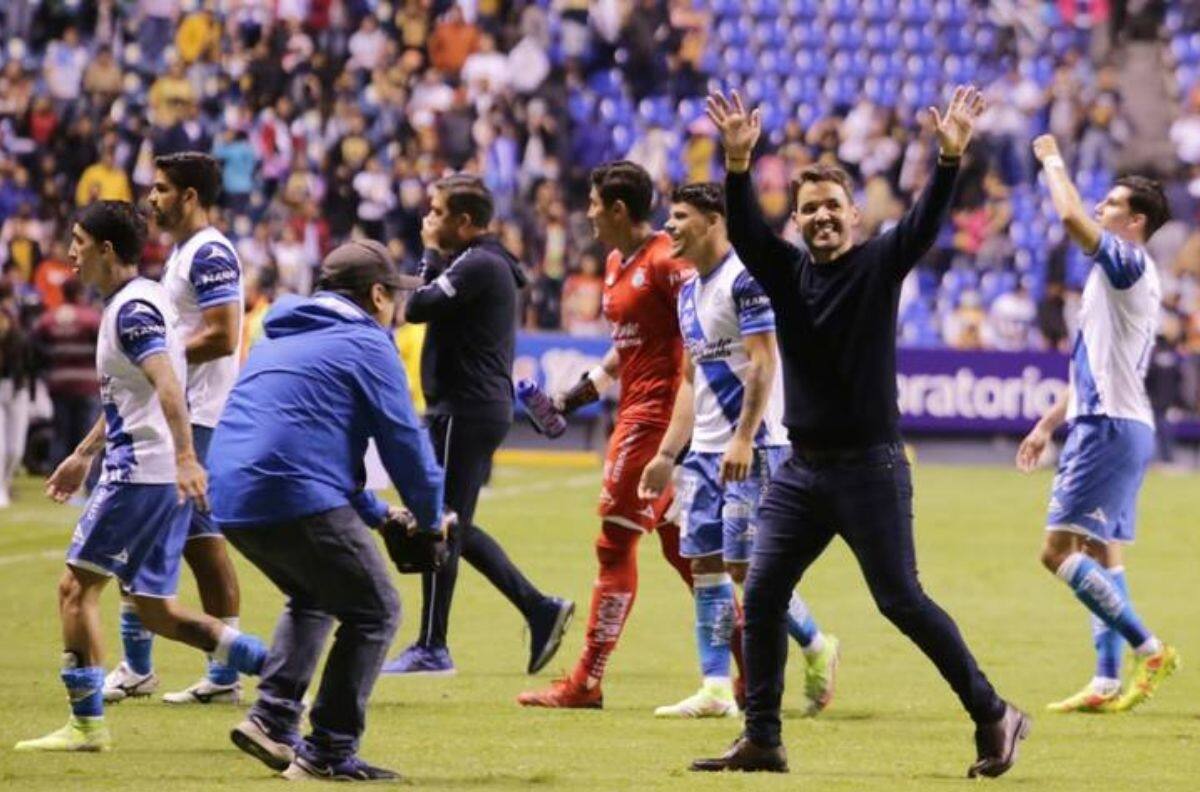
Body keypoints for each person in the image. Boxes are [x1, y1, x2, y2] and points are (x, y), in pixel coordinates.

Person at [692, 87, 1028, 778]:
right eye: (807, 208)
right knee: (759, 594)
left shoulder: (880, 264)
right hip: (803, 471)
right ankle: (763, 738)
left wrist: (949, 155)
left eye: (830, 207)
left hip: (870, 468)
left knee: (900, 599)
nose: (819, 217)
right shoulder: (784, 272)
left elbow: (928, 220)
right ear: (799, 220)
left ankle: (993, 712)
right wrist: (735, 164)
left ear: (853, 215)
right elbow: (749, 232)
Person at [14, 201, 265, 753]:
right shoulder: (145, 300)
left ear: (107, 250)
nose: (70, 253)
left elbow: (169, 386)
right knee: (155, 608)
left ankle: (86, 726)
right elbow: (142, 390)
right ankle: (275, 666)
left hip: (139, 474)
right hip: (153, 472)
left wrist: (183, 457)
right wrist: (83, 452)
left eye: (78, 241)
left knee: (75, 589)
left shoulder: (131, 311)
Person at [209, 240, 447, 782]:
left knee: (315, 593)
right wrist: (430, 521)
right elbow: (405, 445)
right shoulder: (368, 343)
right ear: (378, 295)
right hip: (290, 491)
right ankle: (329, 751)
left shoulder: (279, 335)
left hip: (231, 495)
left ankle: (271, 718)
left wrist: (381, 515)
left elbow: (310, 448)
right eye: (395, 296)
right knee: (376, 609)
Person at [518, 161, 728, 709]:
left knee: (614, 545)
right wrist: (575, 395)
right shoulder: (617, 262)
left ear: (616, 209)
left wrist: (677, 435)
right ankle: (756, 668)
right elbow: (626, 347)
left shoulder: (667, 262)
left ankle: (586, 681)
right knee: (689, 551)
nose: (586, 214)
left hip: (655, 421)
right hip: (637, 411)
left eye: (592, 204)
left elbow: (699, 341)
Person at [638, 183, 839, 720]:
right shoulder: (686, 292)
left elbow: (764, 363)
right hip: (702, 454)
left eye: (679, 217)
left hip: (755, 446)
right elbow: (688, 381)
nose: (669, 227)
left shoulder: (746, 281)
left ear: (712, 221)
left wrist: (744, 436)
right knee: (703, 563)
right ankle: (715, 688)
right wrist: (666, 454)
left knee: (748, 570)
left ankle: (817, 644)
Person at [381, 174, 573, 676]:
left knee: (440, 522)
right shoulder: (482, 262)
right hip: (470, 407)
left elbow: (419, 306)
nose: (429, 219)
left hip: (463, 409)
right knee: (449, 522)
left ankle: (434, 644)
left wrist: (427, 253)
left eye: (437, 212)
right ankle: (535, 609)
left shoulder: (478, 264)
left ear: (465, 222)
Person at [1017, 136, 1179, 714]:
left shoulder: (1128, 261)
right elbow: (1095, 365)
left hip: (1109, 427)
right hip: (1116, 419)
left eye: (1111, 204)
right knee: (1102, 551)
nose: (1100, 209)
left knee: (1057, 552)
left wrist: (1051, 160)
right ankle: (1107, 680)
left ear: (1134, 221)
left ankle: (1150, 648)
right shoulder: (1122, 275)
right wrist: (1048, 423)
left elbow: (1066, 214)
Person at [103, 152, 246, 706]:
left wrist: (154, 353)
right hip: (190, 411)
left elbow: (223, 333)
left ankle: (142, 666)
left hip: (200, 414)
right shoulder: (186, 253)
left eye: (162, 189)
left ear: (190, 196)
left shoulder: (209, 251)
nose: (152, 198)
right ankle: (224, 670)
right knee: (203, 542)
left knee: (142, 531)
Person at [32, 277, 102, 467]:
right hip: (87, 384)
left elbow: (35, 344)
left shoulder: (49, 318)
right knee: (87, 435)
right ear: (80, 293)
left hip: (59, 383)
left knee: (60, 434)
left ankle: (56, 476)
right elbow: (103, 347)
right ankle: (88, 482)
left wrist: (48, 367)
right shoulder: (91, 317)